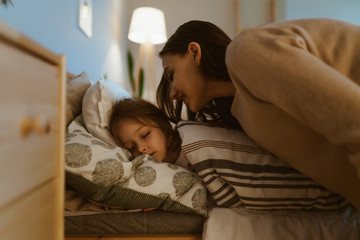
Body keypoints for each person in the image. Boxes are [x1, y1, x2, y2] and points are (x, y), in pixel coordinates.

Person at [156, 18, 360, 210]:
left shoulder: (247, 52)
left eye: (171, 74)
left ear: (194, 52)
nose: (172, 93)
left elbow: (353, 119)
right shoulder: (244, 114)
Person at [108, 97, 190, 169]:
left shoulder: (189, 144)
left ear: (163, 125)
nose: (140, 148)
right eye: (131, 148)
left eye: (145, 135)